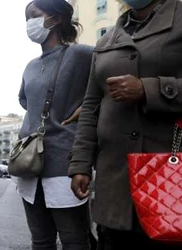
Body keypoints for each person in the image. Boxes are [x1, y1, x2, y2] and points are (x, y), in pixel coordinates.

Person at [69, 0, 182, 249]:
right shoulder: (107, 40)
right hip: (114, 183)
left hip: (169, 182)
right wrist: (80, 164)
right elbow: (91, 107)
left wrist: (148, 89)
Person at [18, 0, 94, 249]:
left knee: (75, 241)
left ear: (56, 19)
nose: (29, 23)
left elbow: (113, 83)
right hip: (29, 165)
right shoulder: (30, 66)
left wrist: (91, 106)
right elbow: (25, 101)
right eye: (26, 17)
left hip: (65, 164)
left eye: (35, 15)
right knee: (40, 241)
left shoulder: (81, 54)